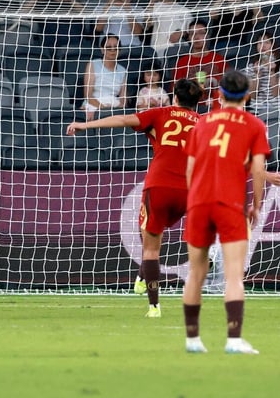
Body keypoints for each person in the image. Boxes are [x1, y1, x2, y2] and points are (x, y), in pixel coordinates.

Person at [67, 78, 203, 317]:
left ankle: (154, 306)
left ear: (175, 96)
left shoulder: (161, 113)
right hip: (190, 190)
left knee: (151, 249)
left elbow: (121, 119)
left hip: (160, 186)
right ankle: (145, 275)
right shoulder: (204, 123)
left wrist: (85, 125)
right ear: (197, 101)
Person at [182, 70, 279, 355]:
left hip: (199, 202)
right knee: (234, 276)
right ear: (248, 95)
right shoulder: (254, 124)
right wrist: (257, 204)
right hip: (229, 203)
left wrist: (193, 199)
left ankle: (192, 340)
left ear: (220, 94)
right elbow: (259, 170)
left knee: (195, 273)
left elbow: (189, 168)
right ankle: (234, 340)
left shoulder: (202, 123)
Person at [172, 19, 227, 105]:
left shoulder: (219, 59)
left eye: (201, 33)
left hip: (216, 107)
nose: (196, 37)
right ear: (189, 38)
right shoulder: (182, 63)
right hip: (190, 108)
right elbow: (176, 90)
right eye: (192, 34)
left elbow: (228, 86)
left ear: (207, 36)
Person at [81, 34, 128, 116]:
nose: (113, 50)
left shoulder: (123, 70)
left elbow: (122, 99)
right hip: (94, 104)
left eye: (116, 47)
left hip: (113, 105)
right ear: (102, 50)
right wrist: (104, 110)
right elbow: (88, 95)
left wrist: (115, 110)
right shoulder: (93, 64)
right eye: (109, 47)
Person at [243, 30, 280, 116]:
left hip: (274, 110)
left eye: (267, 42)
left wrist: (272, 71)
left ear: (273, 46)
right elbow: (253, 96)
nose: (263, 46)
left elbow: (275, 93)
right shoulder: (251, 67)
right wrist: (257, 74)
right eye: (260, 43)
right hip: (255, 110)